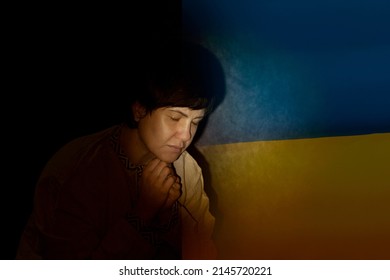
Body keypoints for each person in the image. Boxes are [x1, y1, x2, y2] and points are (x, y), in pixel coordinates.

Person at [16, 38, 225, 260]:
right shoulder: (78, 170)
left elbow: (204, 260)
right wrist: (143, 212)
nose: (186, 136)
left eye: (195, 122)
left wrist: (170, 217)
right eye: (175, 117)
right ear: (139, 110)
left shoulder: (187, 170)